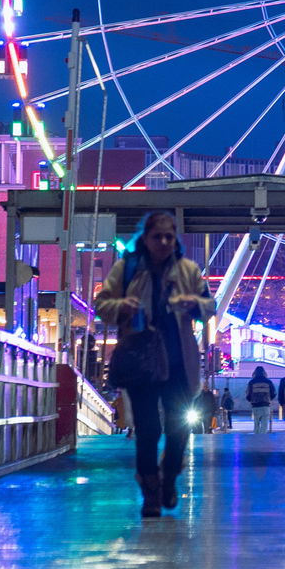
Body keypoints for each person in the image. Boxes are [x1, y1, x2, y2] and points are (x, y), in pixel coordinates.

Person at [95, 211, 215, 518]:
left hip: (178, 362)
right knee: (147, 430)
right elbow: (102, 305)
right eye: (157, 236)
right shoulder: (127, 269)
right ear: (145, 239)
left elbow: (209, 305)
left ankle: (169, 476)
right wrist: (122, 306)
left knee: (178, 429)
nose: (163, 242)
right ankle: (150, 490)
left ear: (175, 240)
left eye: (168, 236)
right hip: (141, 361)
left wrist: (194, 304)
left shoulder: (188, 270)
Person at [246, 366, 276, 433]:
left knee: (256, 424)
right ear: (264, 372)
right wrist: (269, 399)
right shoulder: (268, 382)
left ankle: (256, 438)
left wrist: (251, 400)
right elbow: (273, 393)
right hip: (265, 405)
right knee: (264, 425)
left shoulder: (252, 382)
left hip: (255, 405)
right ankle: (263, 439)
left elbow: (248, 394)